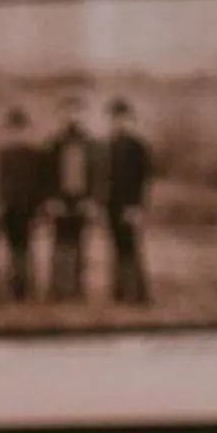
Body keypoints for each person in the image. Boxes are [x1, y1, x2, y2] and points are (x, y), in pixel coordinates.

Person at [47, 92, 97, 301]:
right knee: (60, 243)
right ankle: (59, 288)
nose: (72, 116)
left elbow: (97, 174)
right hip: (61, 199)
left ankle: (77, 288)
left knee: (80, 244)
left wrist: (91, 199)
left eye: (76, 111)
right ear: (61, 114)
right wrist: (52, 199)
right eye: (67, 111)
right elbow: (47, 175)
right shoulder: (54, 143)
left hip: (81, 199)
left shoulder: (91, 143)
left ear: (83, 114)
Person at [104, 97, 154, 306]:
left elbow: (144, 180)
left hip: (131, 205)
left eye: (123, 118)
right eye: (115, 118)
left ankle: (138, 294)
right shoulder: (108, 145)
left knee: (131, 247)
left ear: (130, 119)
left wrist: (137, 207)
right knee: (117, 247)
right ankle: (120, 292)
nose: (119, 122)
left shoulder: (138, 146)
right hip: (112, 205)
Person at [0, 104, 48, 301]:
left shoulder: (34, 155)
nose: (17, 134)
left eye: (20, 129)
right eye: (13, 129)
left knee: (26, 247)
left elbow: (39, 183)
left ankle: (26, 286)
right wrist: (1, 203)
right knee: (12, 247)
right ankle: (15, 286)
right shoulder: (3, 155)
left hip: (28, 208)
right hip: (9, 208)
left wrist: (38, 206)